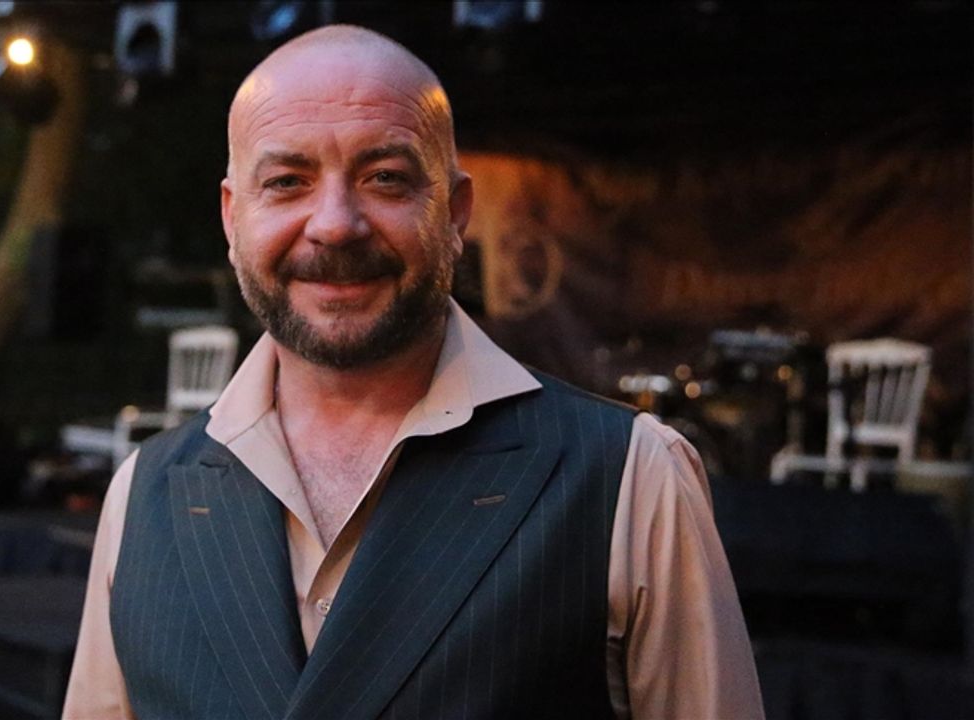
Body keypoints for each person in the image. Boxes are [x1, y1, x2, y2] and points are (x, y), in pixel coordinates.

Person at [64, 24, 763, 720]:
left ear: (455, 212)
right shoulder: (143, 495)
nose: (335, 224)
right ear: (232, 217)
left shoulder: (632, 477)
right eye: (286, 182)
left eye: (385, 178)